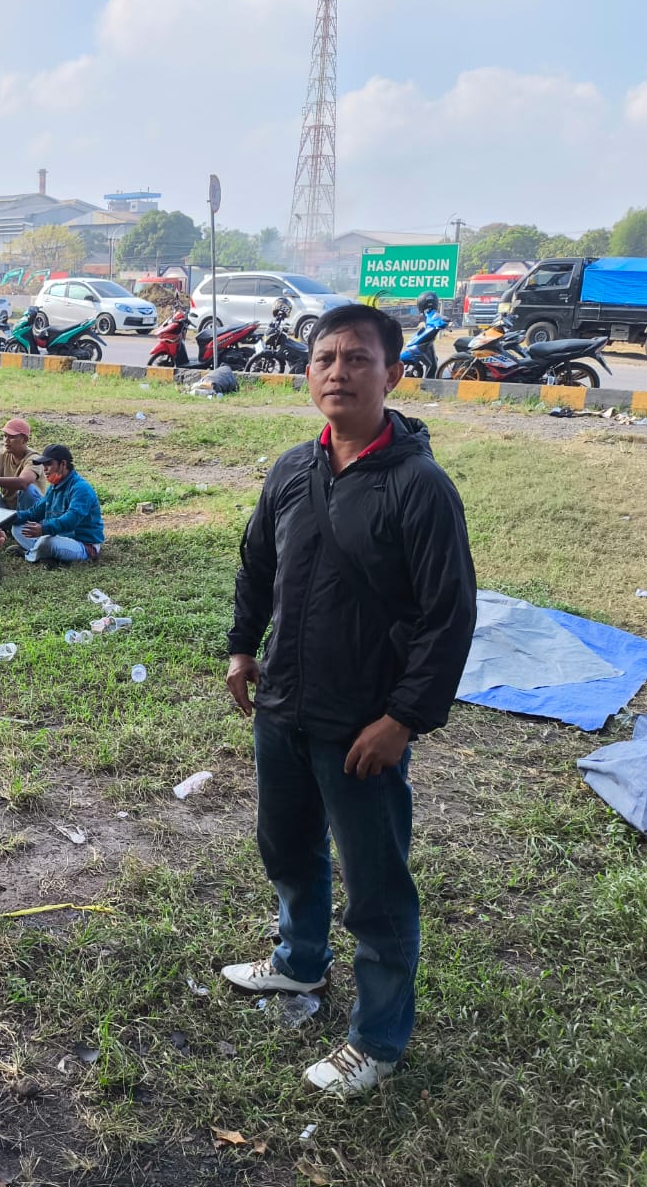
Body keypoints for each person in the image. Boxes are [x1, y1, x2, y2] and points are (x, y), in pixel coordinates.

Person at [221, 303, 476, 1097]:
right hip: (283, 704)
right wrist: (241, 644)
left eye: (357, 358)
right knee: (286, 847)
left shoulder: (420, 487)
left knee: (376, 885)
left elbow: (449, 617)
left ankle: (378, 1036)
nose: (339, 372)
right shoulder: (292, 470)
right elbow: (257, 563)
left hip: (362, 723)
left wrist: (401, 720)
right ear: (307, 374)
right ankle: (299, 960)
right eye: (324, 358)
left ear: (393, 373)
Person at [9, 443, 104, 564]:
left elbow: (71, 520)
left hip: (82, 544)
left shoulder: (81, 488)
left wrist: (44, 529)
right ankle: (45, 554)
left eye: (48, 464)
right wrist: (10, 517)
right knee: (17, 527)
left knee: (47, 542)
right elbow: (34, 512)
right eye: (43, 465)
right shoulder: (54, 487)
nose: (45, 469)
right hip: (57, 538)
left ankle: (30, 555)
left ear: (63, 464)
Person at [0, 417, 45, 510]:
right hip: (7, 507)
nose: (6, 440)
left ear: (25, 440)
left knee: (28, 488)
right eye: (5, 436)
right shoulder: (3, 454)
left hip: (30, 510)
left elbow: (23, 483)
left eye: (12, 437)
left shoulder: (34, 458)